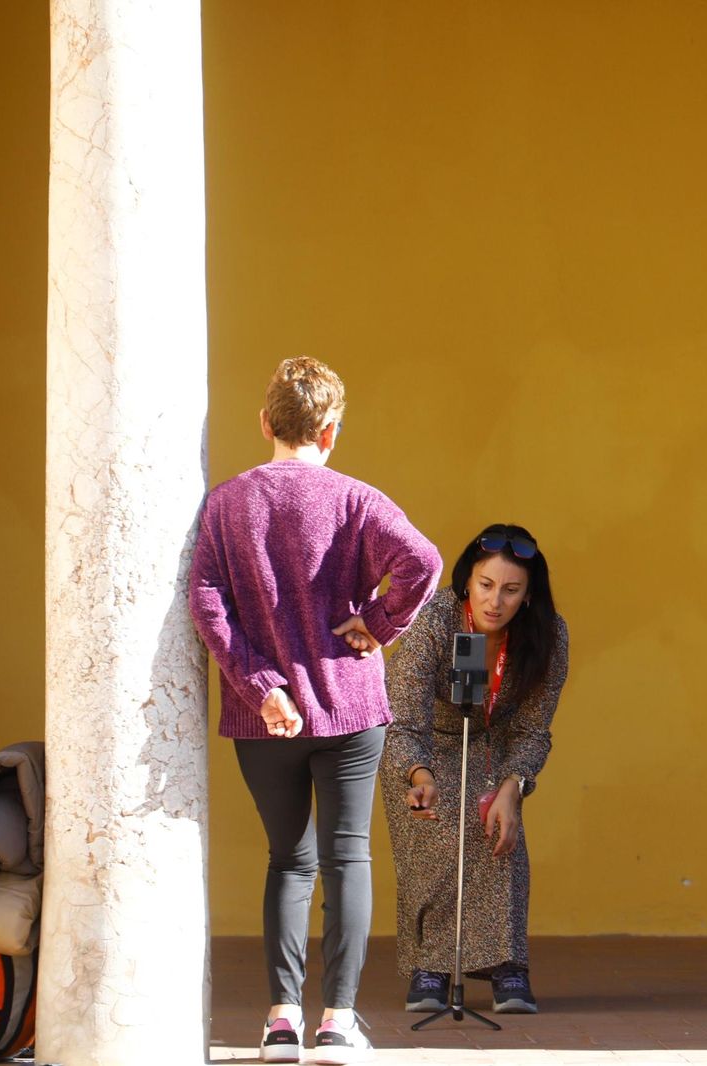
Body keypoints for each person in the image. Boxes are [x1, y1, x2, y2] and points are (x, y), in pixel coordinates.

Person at [189, 356, 442, 1065]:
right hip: (351, 708)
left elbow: (206, 601)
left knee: (288, 862)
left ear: (265, 423)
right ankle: (336, 1024)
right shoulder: (357, 499)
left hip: (263, 718)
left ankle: (280, 1023)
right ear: (330, 431)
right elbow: (423, 561)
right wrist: (378, 624)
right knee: (346, 856)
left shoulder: (226, 504)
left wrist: (261, 686)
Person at [382, 523, 570, 1015]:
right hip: (424, 744)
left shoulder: (549, 635)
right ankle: (432, 966)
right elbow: (402, 717)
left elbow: (533, 730)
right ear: (467, 580)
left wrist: (513, 786)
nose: (495, 601)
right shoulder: (434, 619)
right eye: (486, 585)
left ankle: (507, 964)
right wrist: (418, 774)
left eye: (511, 590)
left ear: (529, 596)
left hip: (495, 748)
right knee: (439, 832)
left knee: (498, 831)